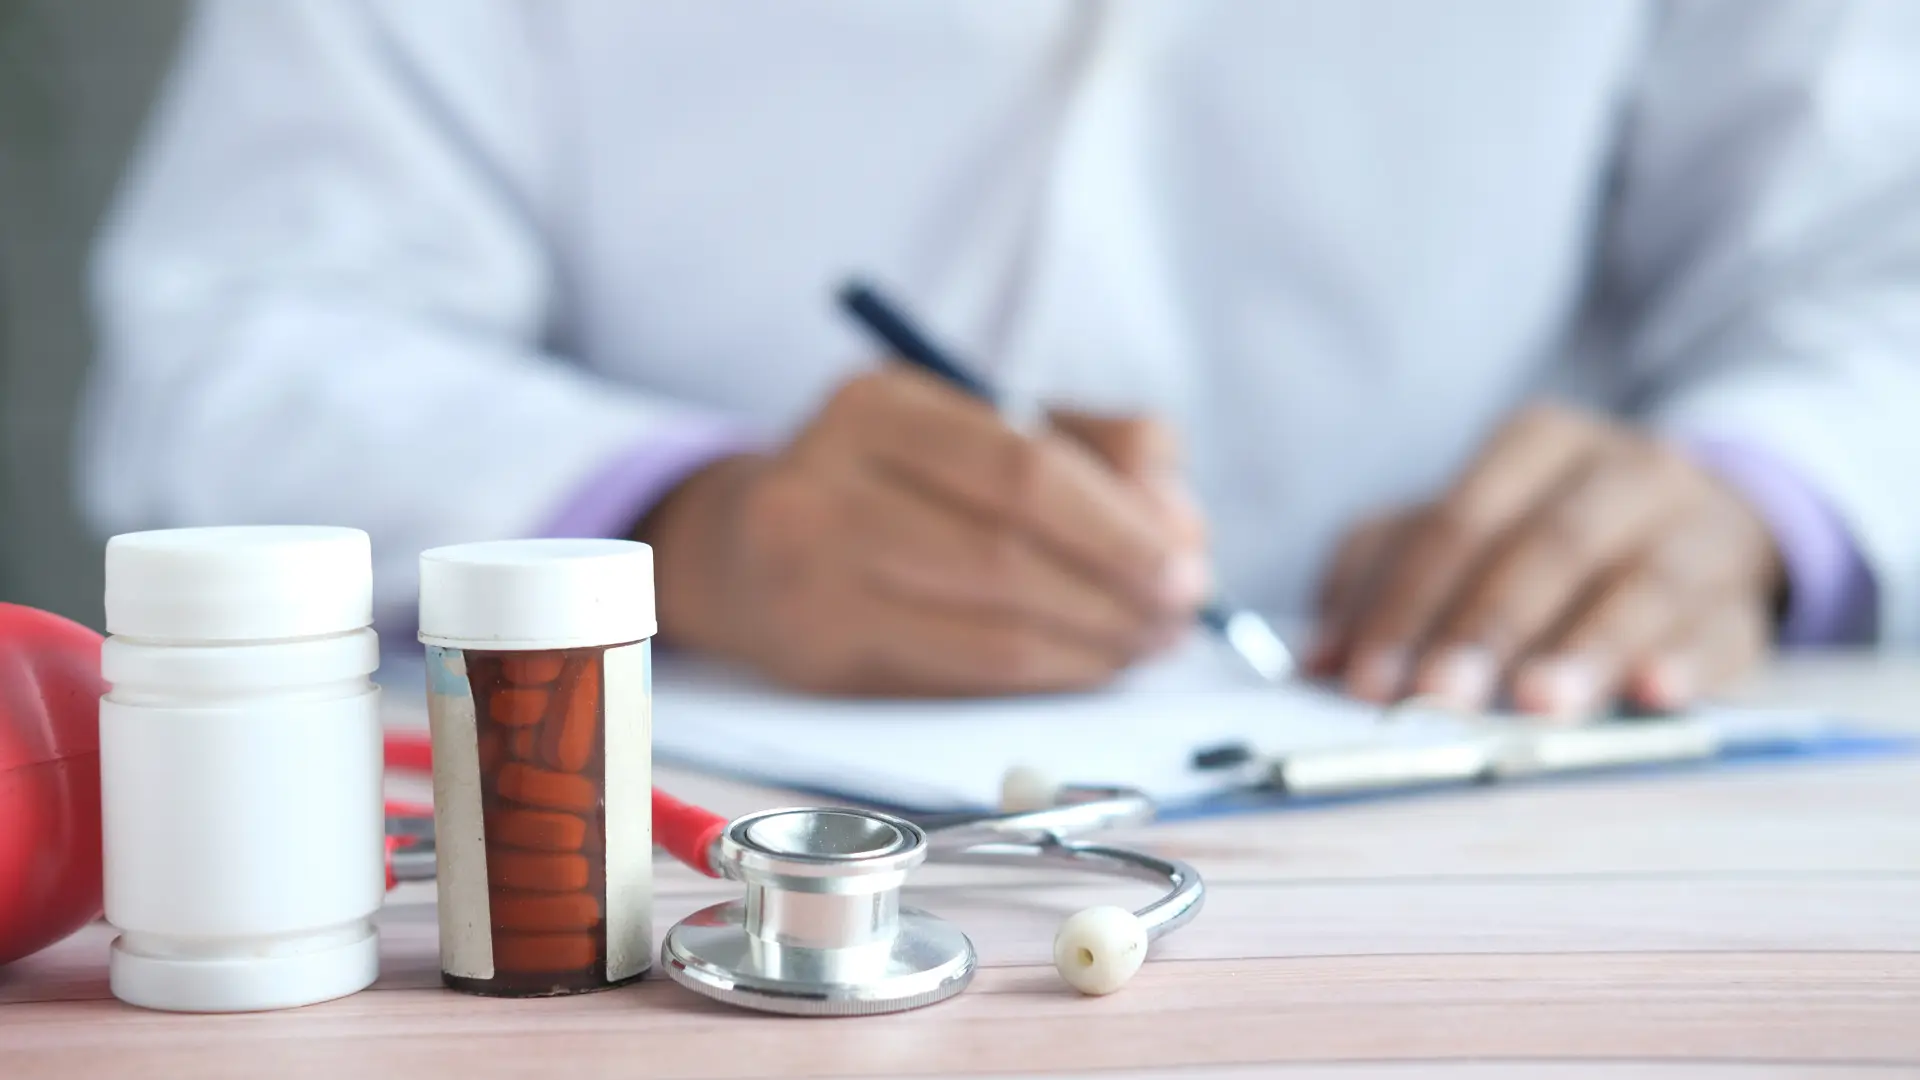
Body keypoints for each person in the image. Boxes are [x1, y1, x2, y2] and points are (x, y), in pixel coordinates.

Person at [81, 1, 1920, 717]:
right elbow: (237, 349)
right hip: (676, 870)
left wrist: (1764, 494)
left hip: (1494, 804)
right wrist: (691, 533)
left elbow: (1879, 275)